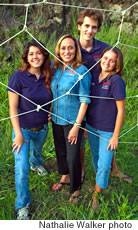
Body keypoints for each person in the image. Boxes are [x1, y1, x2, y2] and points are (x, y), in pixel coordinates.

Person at [77, 9, 132, 183]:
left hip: (100, 105)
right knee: (82, 142)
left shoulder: (103, 49)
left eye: (94, 27)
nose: (89, 30)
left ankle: (111, 170)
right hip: (78, 101)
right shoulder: (72, 47)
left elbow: (112, 65)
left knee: (105, 145)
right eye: (86, 26)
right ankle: (82, 171)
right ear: (79, 26)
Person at [7, 40, 53, 219]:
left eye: (39, 53)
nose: (36, 56)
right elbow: (12, 108)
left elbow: (57, 94)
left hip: (42, 127)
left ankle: (36, 163)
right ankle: (22, 206)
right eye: (32, 53)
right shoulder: (17, 77)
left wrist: (52, 112)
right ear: (26, 56)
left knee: (36, 152)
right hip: (23, 130)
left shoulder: (49, 75)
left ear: (44, 55)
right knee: (21, 167)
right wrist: (17, 134)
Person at [50, 34, 91, 204]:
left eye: (70, 47)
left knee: (73, 156)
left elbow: (85, 100)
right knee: (60, 151)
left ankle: (75, 188)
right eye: (63, 47)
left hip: (73, 121)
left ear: (76, 50)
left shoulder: (81, 70)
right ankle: (65, 176)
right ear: (58, 50)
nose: (67, 51)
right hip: (56, 118)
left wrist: (77, 125)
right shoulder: (57, 69)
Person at [86, 47, 126, 210]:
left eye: (112, 60)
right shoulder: (94, 75)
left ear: (117, 64)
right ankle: (99, 182)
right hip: (91, 126)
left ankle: (96, 195)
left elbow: (121, 110)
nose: (107, 62)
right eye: (105, 58)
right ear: (100, 58)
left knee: (104, 164)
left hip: (107, 130)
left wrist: (115, 135)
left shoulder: (116, 81)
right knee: (96, 157)